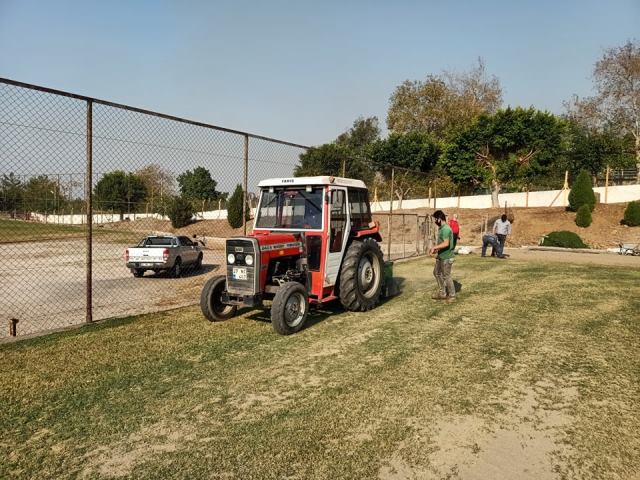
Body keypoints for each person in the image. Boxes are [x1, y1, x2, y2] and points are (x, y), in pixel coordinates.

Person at [429, 210, 456, 303]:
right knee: (436, 273)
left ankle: (452, 296)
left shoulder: (446, 229)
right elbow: (442, 243)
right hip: (441, 256)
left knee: (446, 276)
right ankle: (442, 293)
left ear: (439, 219)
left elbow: (446, 243)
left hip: (447, 257)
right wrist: (436, 251)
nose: (435, 221)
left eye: (435, 219)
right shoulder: (442, 228)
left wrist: (434, 247)